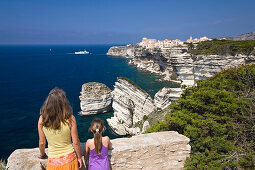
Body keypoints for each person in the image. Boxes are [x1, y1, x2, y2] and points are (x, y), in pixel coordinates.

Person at [38, 87, 83, 170]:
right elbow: (76, 142)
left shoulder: (42, 119)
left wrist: (42, 154)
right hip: (70, 160)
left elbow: (41, 142)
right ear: (64, 103)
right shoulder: (70, 118)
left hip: (53, 163)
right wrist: (79, 157)